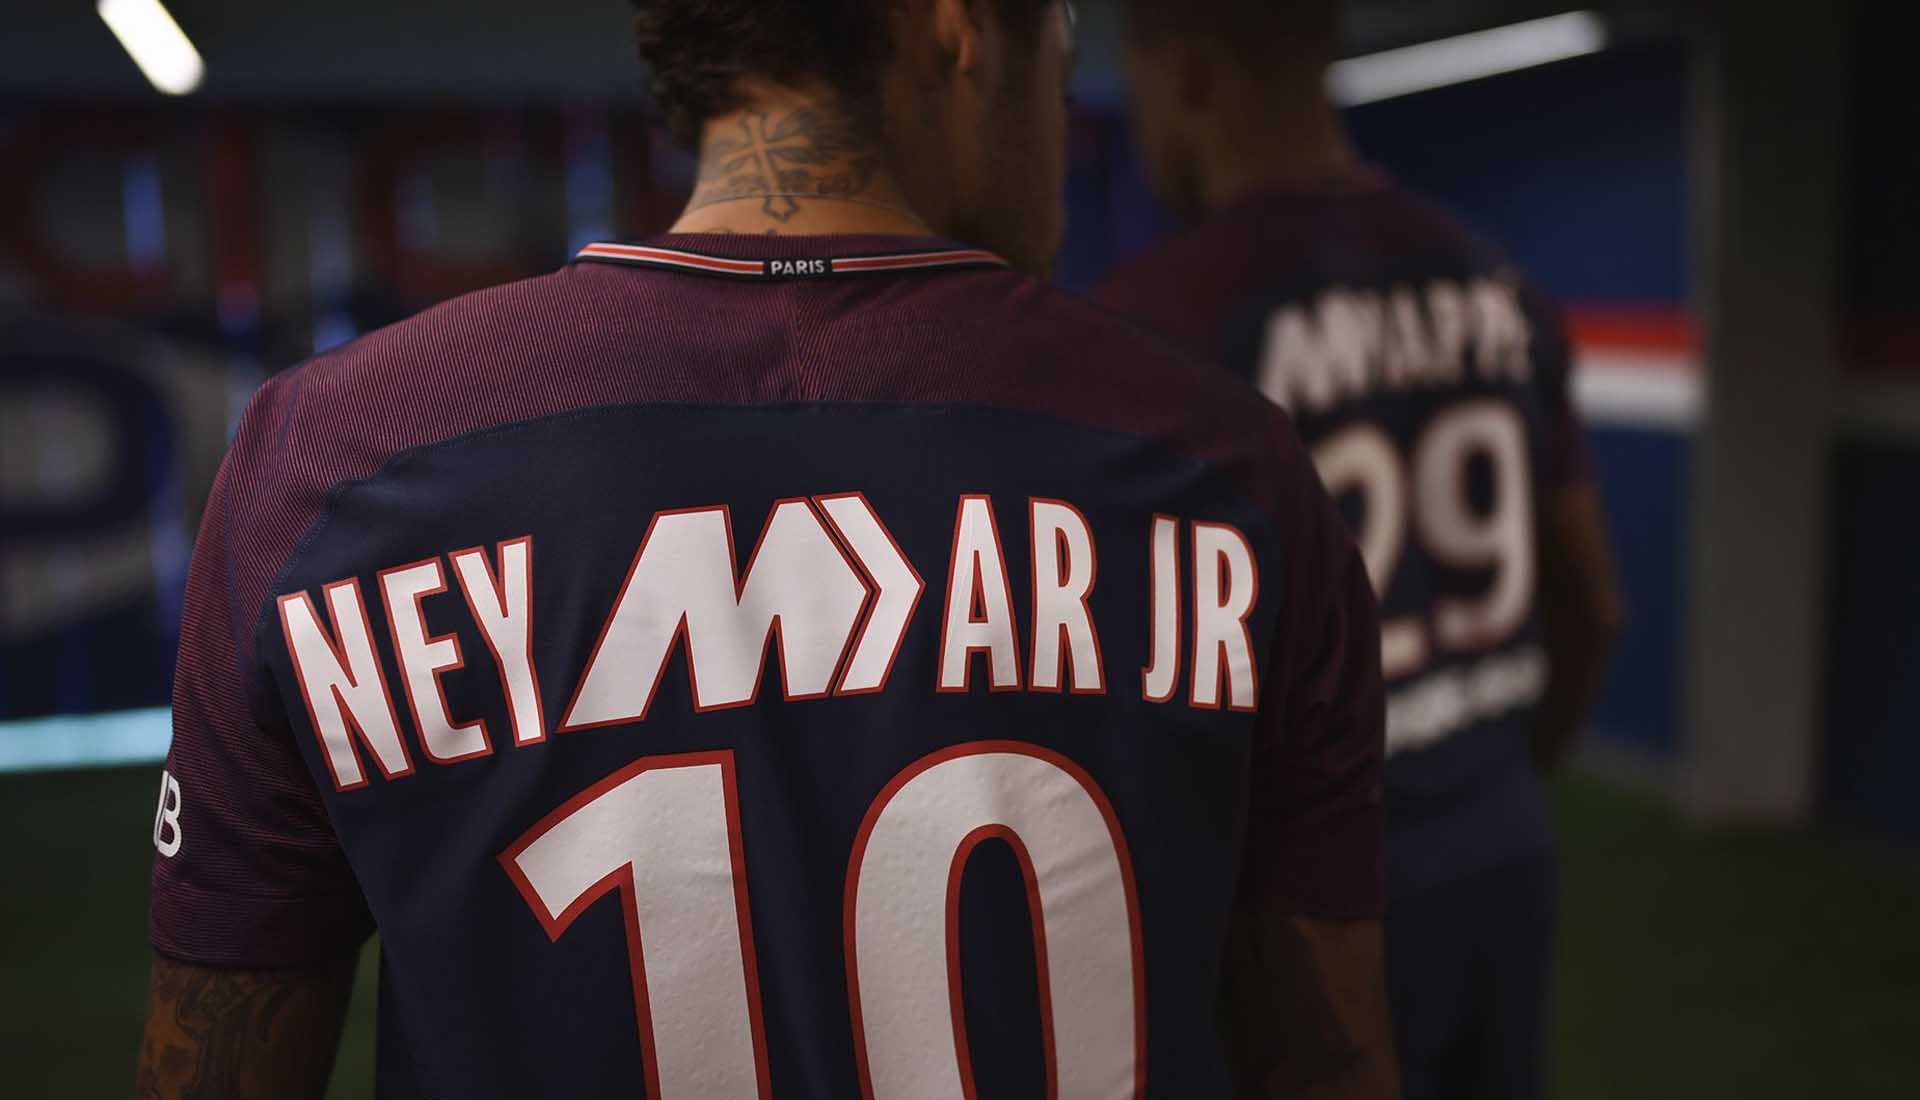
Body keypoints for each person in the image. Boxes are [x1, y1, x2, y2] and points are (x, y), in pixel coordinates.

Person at [136, 1, 1399, 1096]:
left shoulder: (335, 463)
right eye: (1059, 80)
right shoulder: (1222, 467)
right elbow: (1323, 1061)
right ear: (955, 27)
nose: (1060, 138)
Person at [1095, 3, 1626, 1098]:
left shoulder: (1154, 324)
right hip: (1501, 846)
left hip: (1302, 901)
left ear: (1184, 71)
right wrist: (1501, 778)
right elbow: (1593, 601)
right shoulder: (1496, 281)